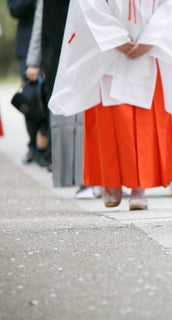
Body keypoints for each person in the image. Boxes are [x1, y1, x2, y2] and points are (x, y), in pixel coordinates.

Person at [49, 0, 172, 210]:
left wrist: (151, 38)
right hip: (108, 51)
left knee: (144, 122)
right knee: (110, 121)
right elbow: (89, 5)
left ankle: (140, 186)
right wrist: (115, 38)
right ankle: (110, 182)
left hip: (150, 50)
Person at [25, 0, 100, 199]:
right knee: (66, 116)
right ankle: (81, 180)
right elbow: (40, 20)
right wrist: (33, 61)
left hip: (93, 50)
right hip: (57, 51)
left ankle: (101, 177)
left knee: (93, 116)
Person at [8, 0, 50, 166]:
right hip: (26, 48)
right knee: (30, 98)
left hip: (49, 43)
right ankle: (33, 145)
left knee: (48, 97)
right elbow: (14, 10)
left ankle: (47, 147)